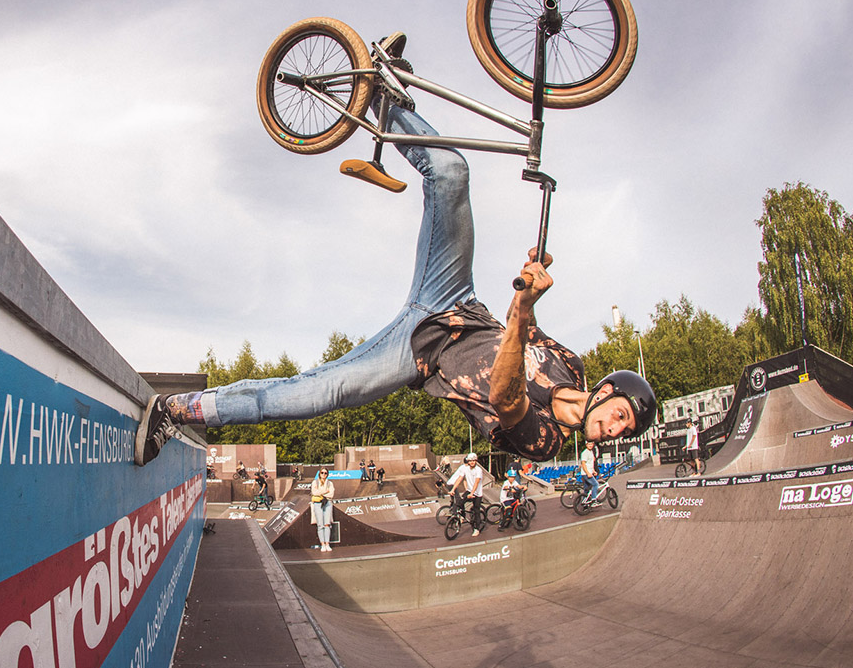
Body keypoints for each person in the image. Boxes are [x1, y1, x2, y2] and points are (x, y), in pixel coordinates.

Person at [136, 51, 656, 467]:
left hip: (418, 354)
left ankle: (177, 410)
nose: (612, 431)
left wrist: (520, 311)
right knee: (452, 173)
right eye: (618, 417)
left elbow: (505, 396)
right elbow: (530, 330)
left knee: (316, 393)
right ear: (607, 390)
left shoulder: (546, 443)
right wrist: (530, 288)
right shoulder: (573, 365)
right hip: (454, 301)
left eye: (621, 433)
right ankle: (384, 99)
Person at [445, 452, 486, 537]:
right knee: (459, 502)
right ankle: (460, 517)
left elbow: (477, 482)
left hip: (477, 493)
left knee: (476, 510)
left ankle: (477, 529)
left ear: (476, 461)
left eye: (473, 461)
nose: (472, 463)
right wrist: (453, 489)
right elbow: (460, 479)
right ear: (468, 461)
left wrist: (472, 493)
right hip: (469, 490)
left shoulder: (478, 470)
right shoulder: (466, 469)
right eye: (470, 461)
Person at [310, 467, 335, 551]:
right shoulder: (315, 482)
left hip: (327, 503)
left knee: (327, 524)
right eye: (322, 473)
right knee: (320, 525)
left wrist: (321, 493)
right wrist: (325, 492)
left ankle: (327, 543)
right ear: (319, 474)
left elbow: (331, 494)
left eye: (325, 473)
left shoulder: (330, 483)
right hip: (318, 503)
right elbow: (314, 492)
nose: (323, 475)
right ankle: (322, 544)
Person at [579, 438, 600, 505]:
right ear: (586, 445)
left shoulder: (591, 452)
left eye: (591, 444)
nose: (590, 445)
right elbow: (583, 464)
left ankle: (584, 502)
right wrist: (588, 473)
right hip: (586, 473)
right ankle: (594, 500)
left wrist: (593, 471)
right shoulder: (585, 453)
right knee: (596, 484)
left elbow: (590, 464)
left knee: (586, 489)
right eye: (589, 444)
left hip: (589, 472)